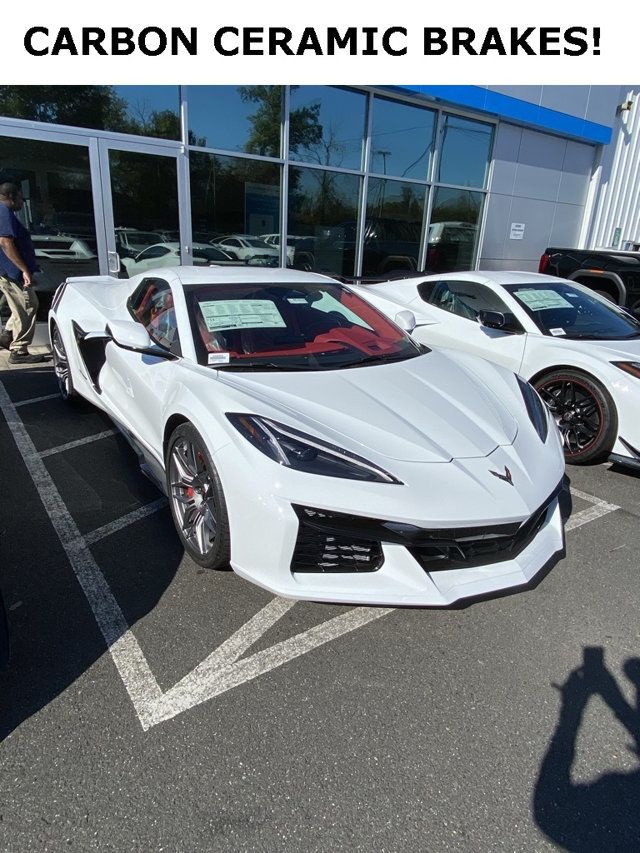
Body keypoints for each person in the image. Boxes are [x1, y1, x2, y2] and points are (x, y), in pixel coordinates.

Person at [0, 182, 45, 363]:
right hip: (12, 272)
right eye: (20, 198)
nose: (22, 202)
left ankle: (7, 335)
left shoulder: (5, 213)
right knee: (27, 305)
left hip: (10, 271)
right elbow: (5, 242)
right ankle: (19, 351)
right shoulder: (3, 212)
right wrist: (24, 269)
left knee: (24, 306)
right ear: (11, 197)